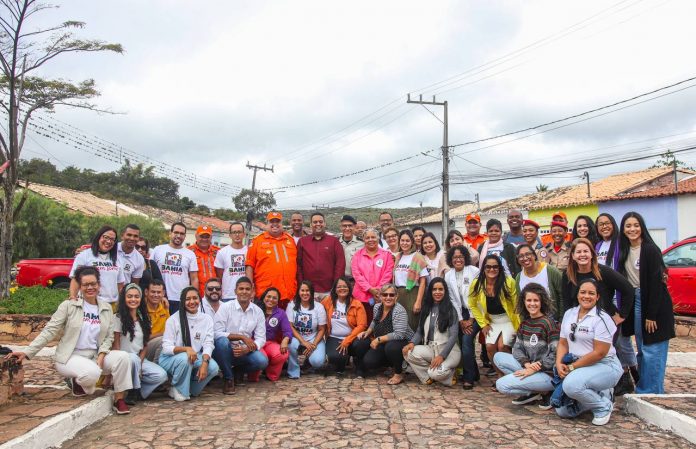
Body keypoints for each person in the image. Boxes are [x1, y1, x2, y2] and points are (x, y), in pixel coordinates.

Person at [6, 266, 133, 414]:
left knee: (123, 357)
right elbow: (50, 330)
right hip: (70, 357)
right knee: (92, 376)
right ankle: (78, 382)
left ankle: (119, 399)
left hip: (95, 355)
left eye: (93, 284)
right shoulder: (69, 306)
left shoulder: (106, 308)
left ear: (99, 285)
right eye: (85, 284)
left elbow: (109, 336)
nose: (90, 287)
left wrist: (102, 354)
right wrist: (28, 352)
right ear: (80, 286)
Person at [618, 212, 675, 394]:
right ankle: (644, 387)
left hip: (652, 302)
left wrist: (651, 314)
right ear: (623, 229)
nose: (632, 229)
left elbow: (657, 283)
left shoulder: (650, 249)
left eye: (636, 225)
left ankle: (652, 390)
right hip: (635, 300)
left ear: (642, 227)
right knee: (642, 349)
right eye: (628, 226)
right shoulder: (624, 250)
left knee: (653, 349)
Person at [555, 279, 623, 426]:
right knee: (563, 410)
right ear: (577, 294)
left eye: (591, 293)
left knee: (571, 385)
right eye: (583, 292)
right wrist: (559, 363)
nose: (586, 296)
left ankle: (603, 406)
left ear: (597, 297)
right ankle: (600, 395)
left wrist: (572, 368)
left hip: (605, 365)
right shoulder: (569, 314)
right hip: (578, 364)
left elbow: (599, 353)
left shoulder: (601, 318)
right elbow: (562, 342)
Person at [595, 212, 639, 395]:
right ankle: (623, 377)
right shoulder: (597, 246)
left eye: (607, 223)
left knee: (622, 340)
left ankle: (636, 373)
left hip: (619, 298)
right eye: (601, 224)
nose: (604, 226)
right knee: (612, 341)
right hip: (605, 300)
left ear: (613, 224)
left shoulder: (621, 244)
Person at [495, 283, 559, 408]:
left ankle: (546, 391)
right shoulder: (525, 324)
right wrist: (527, 364)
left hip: (546, 373)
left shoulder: (548, 323)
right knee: (498, 357)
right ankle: (533, 392)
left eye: (536, 300)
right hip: (531, 366)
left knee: (501, 385)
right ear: (523, 302)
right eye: (529, 300)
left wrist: (535, 368)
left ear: (542, 302)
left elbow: (555, 354)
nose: (532, 304)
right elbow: (517, 349)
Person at [158, 286, 219, 401]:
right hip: (170, 358)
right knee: (185, 358)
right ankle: (178, 387)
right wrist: (186, 349)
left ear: (199, 300)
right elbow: (166, 348)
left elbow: (208, 343)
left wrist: (205, 363)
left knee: (213, 367)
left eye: (195, 298)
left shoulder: (207, 319)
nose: (192, 302)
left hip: (194, 356)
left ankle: (189, 388)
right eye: (187, 299)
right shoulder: (173, 319)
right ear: (182, 301)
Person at [113, 283, 168, 404]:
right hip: (123, 359)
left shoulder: (144, 318)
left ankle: (138, 391)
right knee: (131, 358)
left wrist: (139, 363)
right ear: (124, 298)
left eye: (136, 296)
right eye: (130, 296)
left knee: (161, 375)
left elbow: (145, 345)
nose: (133, 299)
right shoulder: (117, 318)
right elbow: (116, 344)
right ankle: (132, 390)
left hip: (138, 358)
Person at [469, 254, 520, 380]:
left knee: (502, 346)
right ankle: (499, 374)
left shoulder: (509, 282)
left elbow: (516, 305)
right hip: (492, 320)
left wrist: (519, 326)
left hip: (509, 320)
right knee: (490, 347)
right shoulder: (477, 284)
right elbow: (472, 305)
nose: (492, 270)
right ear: (484, 269)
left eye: (495, 267)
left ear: (500, 268)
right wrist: (483, 324)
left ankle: (510, 375)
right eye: (488, 267)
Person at [213, 276, 268, 394]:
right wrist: (241, 337)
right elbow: (216, 333)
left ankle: (237, 371)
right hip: (225, 349)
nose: (244, 292)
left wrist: (248, 348)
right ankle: (229, 379)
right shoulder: (226, 307)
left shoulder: (257, 311)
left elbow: (261, 338)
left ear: (252, 292)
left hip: (243, 350)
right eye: (241, 289)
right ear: (235, 291)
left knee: (262, 361)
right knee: (222, 342)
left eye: (247, 289)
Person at [403, 277, 460, 386]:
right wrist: (412, 343)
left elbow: (453, 336)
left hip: (449, 352)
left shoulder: (450, 309)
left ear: (445, 291)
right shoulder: (426, 308)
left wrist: (442, 356)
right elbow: (420, 331)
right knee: (408, 353)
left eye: (440, 289)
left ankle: (449, 375)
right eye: (434, 289)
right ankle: (428, 377)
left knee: (434, 373)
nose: (437, 292)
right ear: (430, 291)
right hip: (431, 348)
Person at [353, 284, 414, 384]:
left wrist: (378, 339)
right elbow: (374, 321)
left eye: (391, 295)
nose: (388, 297)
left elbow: (399, 334)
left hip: (402, 342)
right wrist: (367, 331)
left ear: (396, 296)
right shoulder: (377, 307)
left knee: (391, 347)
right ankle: (388, 364)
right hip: (384, 342)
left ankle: (398, 373)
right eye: (385, 295)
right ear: (380, 296)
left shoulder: (399, 310)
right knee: (369, 361)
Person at [561, 238, 635, 321]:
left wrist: (622, 316)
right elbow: (567, 301)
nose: (582, 254)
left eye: (585, 251)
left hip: (605, 320)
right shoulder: (568, 274)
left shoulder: (604, 272)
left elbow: (628, 289)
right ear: (573, 256)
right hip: (580, 322)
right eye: (578, 252)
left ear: (592, 254)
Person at [444, 246, 481, 389]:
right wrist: (460, 320)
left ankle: (468, 378)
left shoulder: (474, 271)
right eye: (454, 257)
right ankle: (474, 372)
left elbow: (476, 296)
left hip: (476, 313)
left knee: (466, 340)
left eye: (460, 257)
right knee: (461, 341)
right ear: (450, 260)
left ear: (465, 257)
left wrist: (470, 319)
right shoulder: (448, 275)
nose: (458, 260)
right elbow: (452, 299)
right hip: (459, 313)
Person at [245, 211, 297, 309]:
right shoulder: (257, 241)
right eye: (271, 221)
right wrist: (250, 288)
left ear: (282, 224)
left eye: (278, 221)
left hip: (289, 295)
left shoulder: (290, 240)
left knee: (287, 324)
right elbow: (249, 266)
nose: (275, 224)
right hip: (266, 295)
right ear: (267, 224)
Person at [69, 226, 125, 309]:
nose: (108, 241)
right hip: (88, 304)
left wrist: (121, 305)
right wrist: (73, 297)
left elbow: (120, 285)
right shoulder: (84, 256)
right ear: (98, 237)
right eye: (105, 237)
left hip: (111, 305)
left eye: (112, 239)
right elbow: (75, 279)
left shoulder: (117, 259)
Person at [321, 277, 368, 375]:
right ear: (334, 289)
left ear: (349, 288)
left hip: (353, 338)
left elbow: (362, 325)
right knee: (335, 358)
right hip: (334, 337)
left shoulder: (357, 304)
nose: (342, 289)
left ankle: (359, 363)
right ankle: (341, 361)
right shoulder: (328, 301)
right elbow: (316, 309)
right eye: (339, 287)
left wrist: (347, 340)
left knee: (361, 344)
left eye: (345, 286)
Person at [150, 222, 199, 314]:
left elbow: (194, 278)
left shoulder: (190, 254)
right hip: (159, 298)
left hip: (181, 299)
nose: (178, 236)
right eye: (176, 232)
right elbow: (150, 271)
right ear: (170, 233)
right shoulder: (158, 250)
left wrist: (193, 297)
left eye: (182, 234)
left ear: (185, 236)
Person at [297, 212, 346, 299]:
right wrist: (302, 284)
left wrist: (336, 286)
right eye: (315, 222)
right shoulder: (302, 241)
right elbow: (298, 265)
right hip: (308, 291)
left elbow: (340, 264)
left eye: (320, 221)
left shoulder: (334, 241)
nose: (318, 224)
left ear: (325, 223)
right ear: (311, 224)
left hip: (329, 290)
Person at [351, 228, 395, 323]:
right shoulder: (357, 256)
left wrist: (378, 290)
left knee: (380, 324)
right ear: (364, 239)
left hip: (381, 297)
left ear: (378, 238)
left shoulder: (386, 255)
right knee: (362, 323)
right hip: (361, 297)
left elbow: (388, 273)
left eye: (373, 237)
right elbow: (356, 274)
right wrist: (369, 289)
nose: (370, 240)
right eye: (367, 238)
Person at [286, 281, 327, 379]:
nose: (305, 293)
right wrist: (303, 342)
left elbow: (322, 329)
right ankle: (293, 371)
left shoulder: (319, 307)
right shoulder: (292, 305)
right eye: (302, 290)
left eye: (307, 290)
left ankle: (309, 363)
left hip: (313, 338)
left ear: (312, 292)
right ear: (298, 292)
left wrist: (313, 345)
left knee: (317, 362)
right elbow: (290, 326)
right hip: (297, 337)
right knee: (291, 344)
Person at [393, 230, 428, 331]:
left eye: (407, 241)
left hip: (412, 293)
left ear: (412, 242)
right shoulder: (398, 257)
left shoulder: (417, 257)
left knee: (412, 323)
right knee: (400, 325)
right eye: (402, 240)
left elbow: (423, 282)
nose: (404, 243)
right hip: (399, 294)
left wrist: (418, 302)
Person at [515, 244, 563, 315]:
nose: (525, 258)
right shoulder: (519, 277)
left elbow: (562, 296)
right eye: (521, 256)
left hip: (552, 320)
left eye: (528, 254)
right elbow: (521, 303)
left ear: (534, 255)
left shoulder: (550, 271)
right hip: (531, 322)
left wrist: (561, 319)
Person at [257, 287, 292, 382]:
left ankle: (271, 374)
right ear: (264, 297)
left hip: (269, 343)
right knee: (260, 358)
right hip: (254, 342)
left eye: (274, 298)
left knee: (282, 353)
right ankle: (253, 374)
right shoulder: (255, 309)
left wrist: (285, 341)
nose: (271, 300)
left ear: (277, 301)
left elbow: (288, 331)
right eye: (268, 296)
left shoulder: (281, 313)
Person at [214, 222, 248, 301]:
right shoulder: (222, 252)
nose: (237, 235)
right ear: (230, 235)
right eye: (234, 232)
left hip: (245, 294)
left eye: (239, 232)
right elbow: (219, 275)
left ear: (244, 234)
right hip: (228, 295)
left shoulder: (249, 251)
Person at [188, 225, 220, 297]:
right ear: (196, 236)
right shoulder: (188, 252)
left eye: (207, 237)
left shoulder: (218, 252)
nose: (204, 239)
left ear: (211, 237)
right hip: (196, 294)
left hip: (215, 294)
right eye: (202, 236)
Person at [144, 279, 169, 363]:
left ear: (163, 293)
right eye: (153, 292)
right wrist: (162, 334)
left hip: (164, 344)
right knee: (163, 340)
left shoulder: (164, 306)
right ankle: (157, 367)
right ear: (146, 292)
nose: (156, 295)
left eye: (159, 292)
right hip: (145, 347)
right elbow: (143, 337)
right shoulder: (141, 308)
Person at [339, 215, 364, 281]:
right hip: (339, 281)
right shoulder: (335, 243)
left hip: (356, 280)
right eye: (344, 226)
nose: (347, 228)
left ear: (355, 227)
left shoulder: (362, 244)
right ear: (340, 227)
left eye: (350, 226)